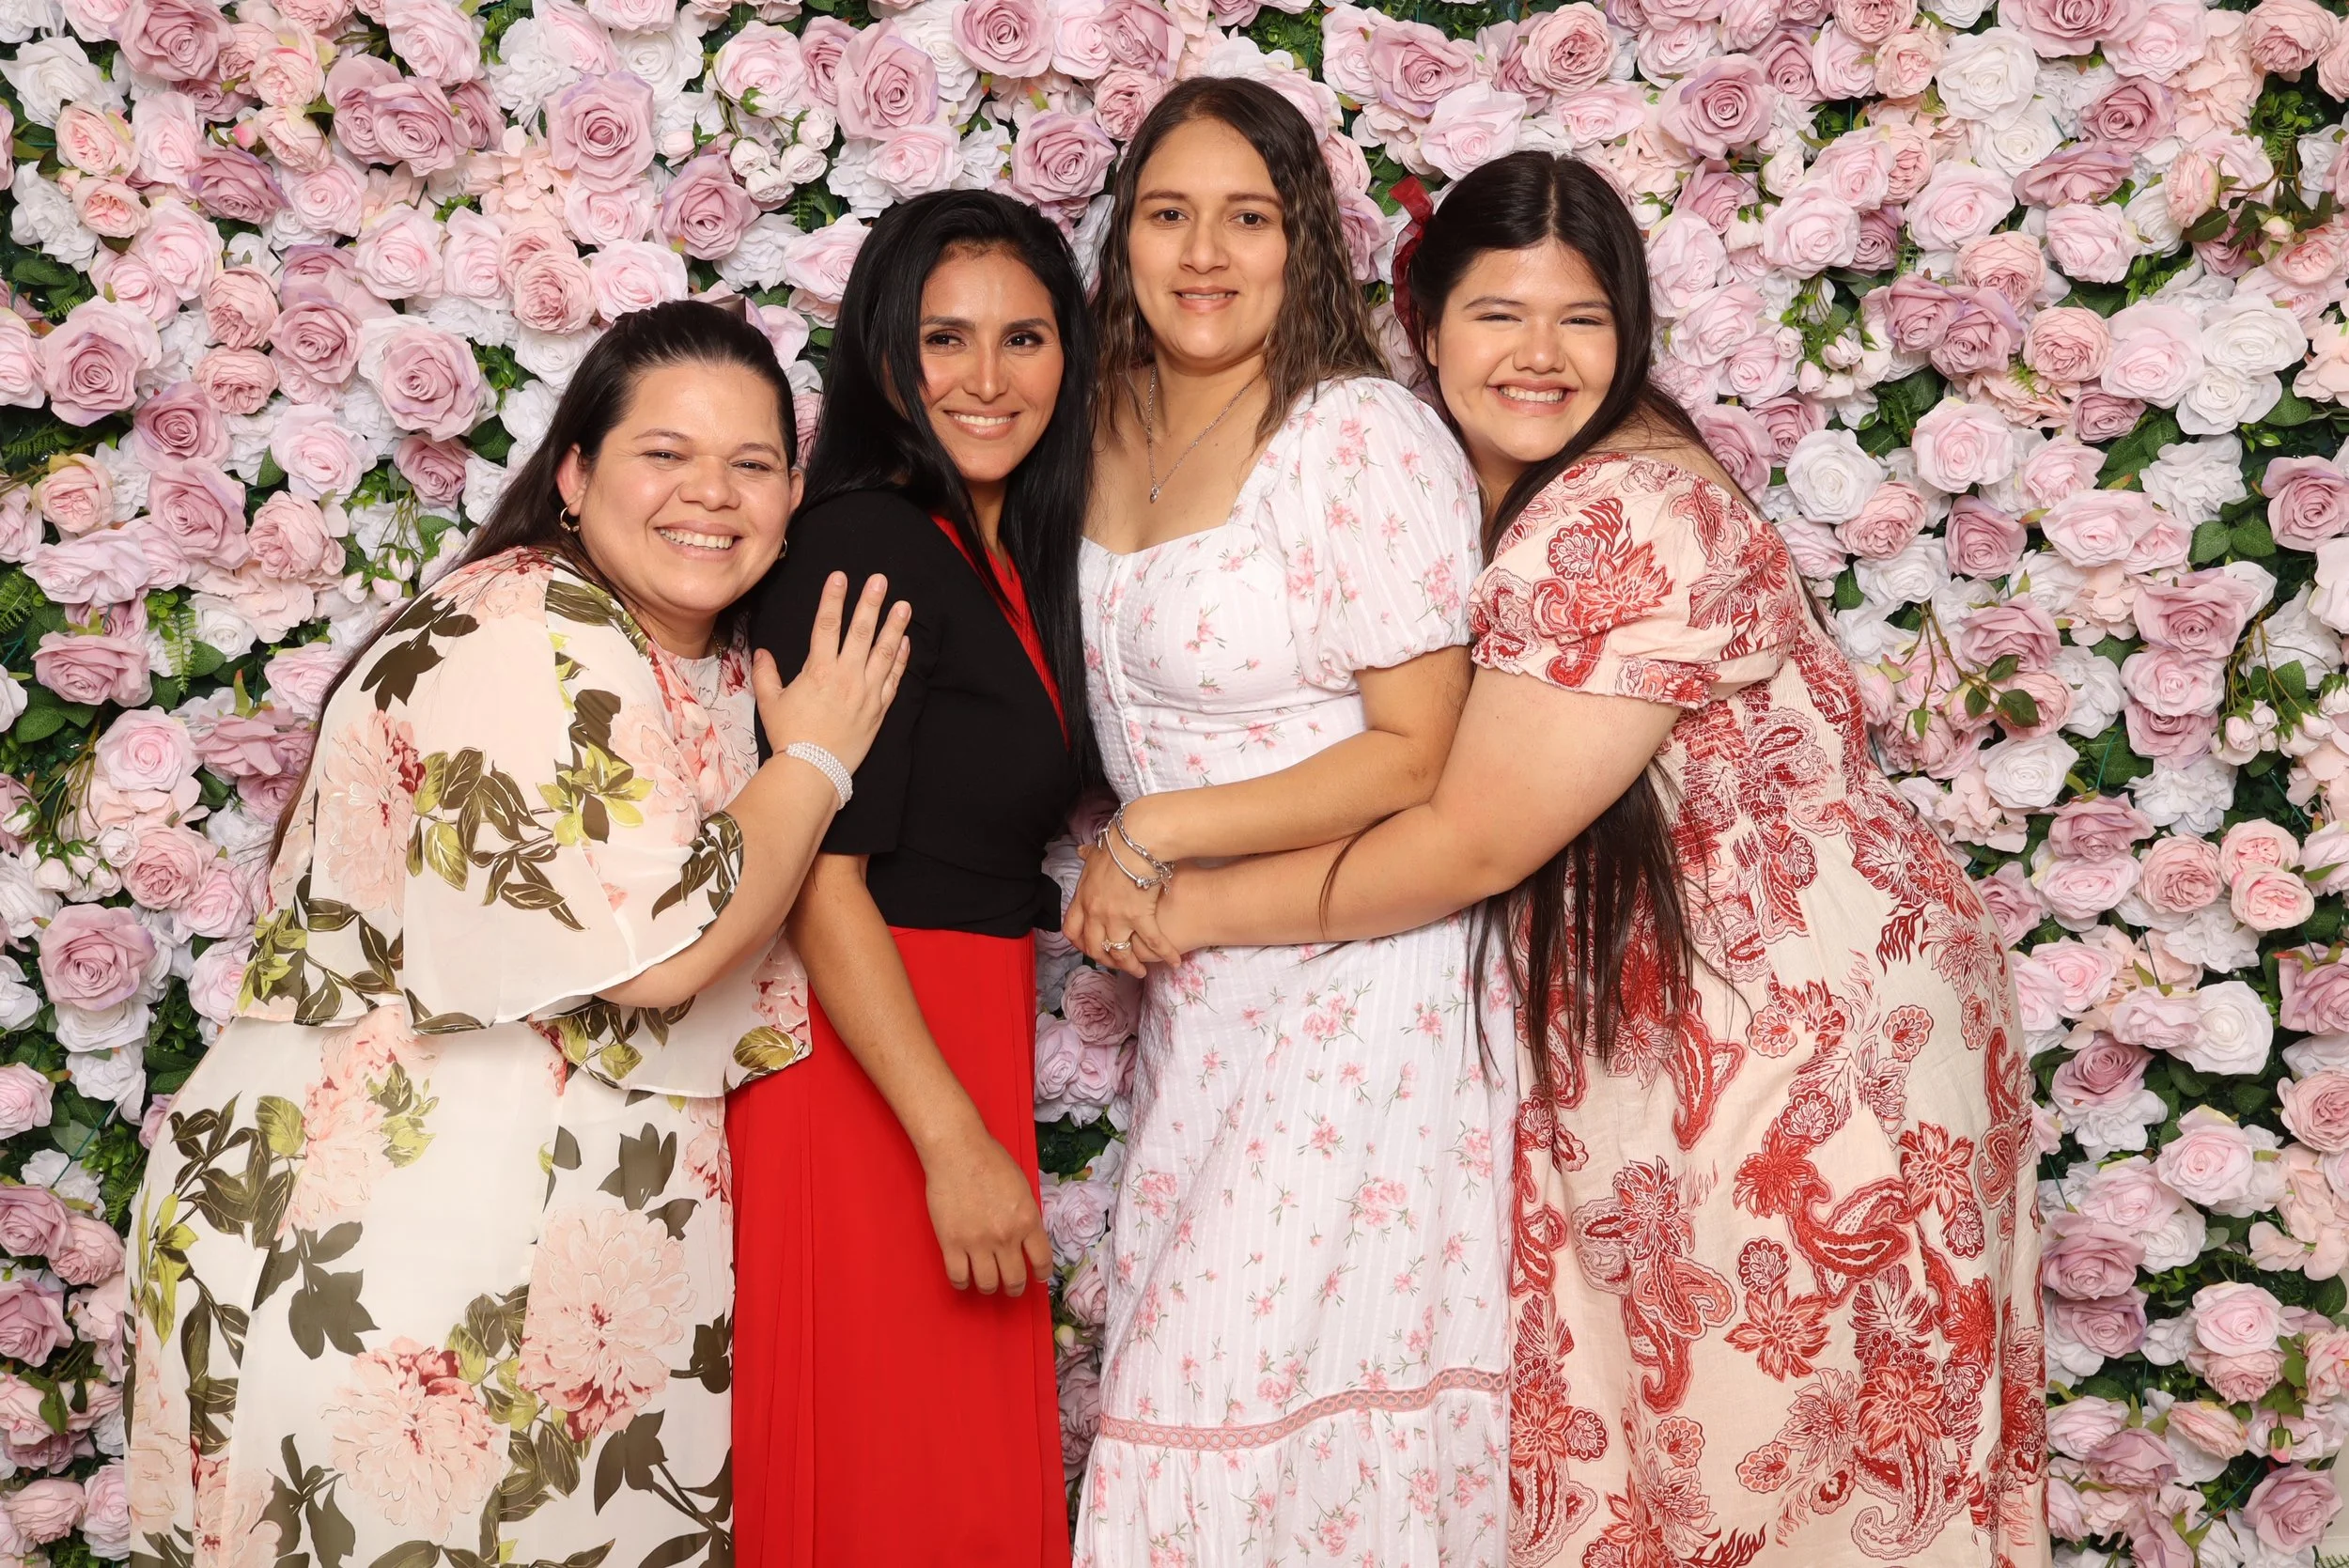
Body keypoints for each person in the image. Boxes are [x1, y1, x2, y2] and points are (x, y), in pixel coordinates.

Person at [1145, 150, 2049, 1566]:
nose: (1541, 354)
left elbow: (1468, 842)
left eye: (1583, 318)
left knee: (1784, 1481)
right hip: (1770, 1019)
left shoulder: (1619, 511)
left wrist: (1190, 907)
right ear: (1425, 320)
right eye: (1499, 313)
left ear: (1630, 332)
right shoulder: (1547, 488)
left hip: (1797, 1058)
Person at [127, 299, 911, 1568]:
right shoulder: (527, 630)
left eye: (753, 463)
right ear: (575, 476)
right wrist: (818, 758)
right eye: (665, 453)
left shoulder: (704, 654)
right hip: (391, 1232)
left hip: (559, 1243)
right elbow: (663, 955)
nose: (711, 495)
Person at [1064, 77, 1513, 1565]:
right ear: (1125, 237)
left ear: (1302, 239)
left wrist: (1154, 833)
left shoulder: (1353, 434)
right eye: (1169, 215)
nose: (1205, 254)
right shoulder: (1096, 420)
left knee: (1259, 1394)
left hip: (1364, 988)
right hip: (1198, 993)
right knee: (1200, 1394)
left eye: (1246, 219)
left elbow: (1417, 751)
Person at [727, 190, 1093, 1568]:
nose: (986, 379)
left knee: (953, 1485)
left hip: (954, 1029)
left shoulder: (994, 551)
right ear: (885, 352)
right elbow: (819, 875)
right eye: (945, 339)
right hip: (872, 1057)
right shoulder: (863, 543)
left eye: (1024, 338)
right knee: (893, 1487)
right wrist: (950, 1141)